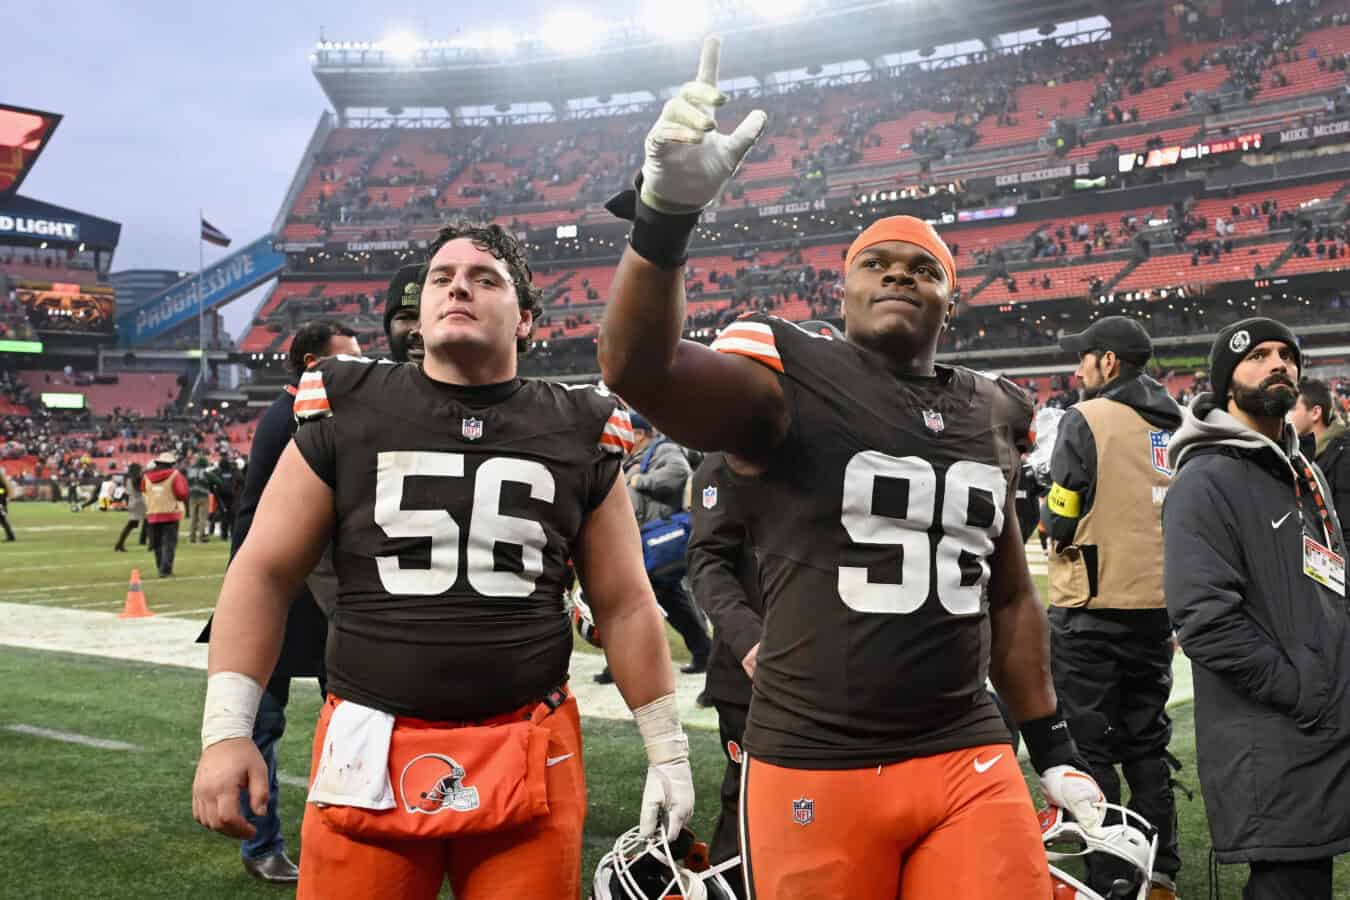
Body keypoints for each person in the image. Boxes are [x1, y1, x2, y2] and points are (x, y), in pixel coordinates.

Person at [598, 38, 1104, 900]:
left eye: (925, 268)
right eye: (878, 263)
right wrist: (664, 219)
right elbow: (638, 369)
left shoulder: (992, 408)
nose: (901, 274)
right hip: (814, 754)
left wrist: (1050, 743)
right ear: (842, 290)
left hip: (966, 747)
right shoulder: (787, 376)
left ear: (952, 295)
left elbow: (1012, 592)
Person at [191, 222, 695, 900]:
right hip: (370, 738)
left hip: (529, 738)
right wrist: (225, 731)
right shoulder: (346, 402)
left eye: (486, 278)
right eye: (441, 277)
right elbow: (263, 571)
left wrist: (668, 748)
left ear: (526, 321)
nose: (459, 285)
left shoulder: (580, 424)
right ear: (420, 313)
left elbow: (627, 601)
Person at [1164, 317, 1350, 900]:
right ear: (1225, 383)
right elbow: (1204, 620)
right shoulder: (1204, 480)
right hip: (1275, 732)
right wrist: (1304, 690)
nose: (1279, 365)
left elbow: (1331, 578)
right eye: (1259, 356)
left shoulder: (1304, 472)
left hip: (1320, 727)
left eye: (1288, 355)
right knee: (1288, 884)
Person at [195, 320, 360, 883]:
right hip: (283, 598)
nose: (356, 371)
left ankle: (330, 838)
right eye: (346, 360)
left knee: (345, 719)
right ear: (312, 363)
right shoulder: (296, 415)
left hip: (303, 593)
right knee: (262, 725)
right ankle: (262, 844)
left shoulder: (299, 412)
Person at [1042, 316, 1183, 899]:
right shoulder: (1179, 422)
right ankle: (1162, 868)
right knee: (1148, 746)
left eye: (1085, 358)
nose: (1077, 370)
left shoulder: (1087, 418)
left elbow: (1062, 510)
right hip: (1157, 610)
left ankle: (1112, 877)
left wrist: (1054, 523)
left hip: (1091, 609)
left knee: (1093, 749)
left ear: (1109, 363)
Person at [687, 453, 761, 898]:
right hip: (751, 673)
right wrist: (748, 639)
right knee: (748, 805)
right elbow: (708, 560)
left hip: (837, 668)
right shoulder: (727, 462)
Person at [624, 412, 710, 673]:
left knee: (637, 600)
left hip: (658, 538)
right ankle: (704, 653)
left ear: (639, 434)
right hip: (644, 539)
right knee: (670, 601)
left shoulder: (663, 449)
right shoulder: (636, 456)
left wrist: (642, 481)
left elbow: (678, 472)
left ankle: (630, 665)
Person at [1290, 376, 1350, 524]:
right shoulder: (1297, 454)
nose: (1285, 416)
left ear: (1315, 413)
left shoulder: (1344, 456)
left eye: (1291, 408)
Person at [142, 452, 187, 577]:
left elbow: (144, 491)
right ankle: (166, 569)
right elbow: (181, 494)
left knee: (157, 545)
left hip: (153, 513)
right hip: (170, 513)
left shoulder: (146, 477)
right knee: (169, 544)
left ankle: (160, 567)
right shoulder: (175, 475)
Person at [385, 263, 425, 363]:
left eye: (431, 317)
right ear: (388, 327)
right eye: (407, 317)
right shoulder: (370, 378)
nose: (419, 330)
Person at [114, 463, 145, 552]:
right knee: (149, 523)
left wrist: (127, 505)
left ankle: (119, 544)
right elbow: (142, 490)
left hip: (132, 503)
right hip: (140, 503)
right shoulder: (137, 480)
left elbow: (127, 494)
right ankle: (153, 545)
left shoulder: (127, 479)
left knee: (131, 525)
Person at [187, 454, 213, 543]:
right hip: (204, 496)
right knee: (202, 518)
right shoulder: (206, 472)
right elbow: (217, 481)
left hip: (192, 496)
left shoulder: (190, 471)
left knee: (193, 518)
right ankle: (201, 537)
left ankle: (192, 537)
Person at [0, 469, 14, 541]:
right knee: (3, 521)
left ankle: (11, 536)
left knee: (3, 521)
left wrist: (1, 504)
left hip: (1, 505)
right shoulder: (3, 483)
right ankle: (11, 536)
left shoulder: (1, 484)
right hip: (2, 504)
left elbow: (1, 494)